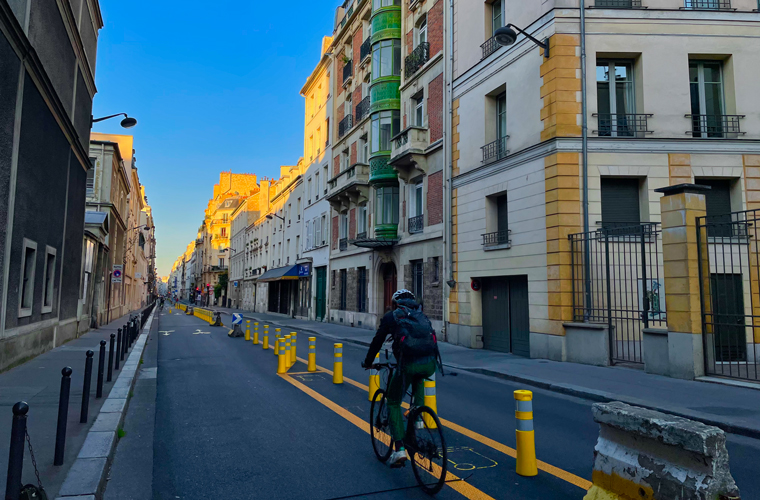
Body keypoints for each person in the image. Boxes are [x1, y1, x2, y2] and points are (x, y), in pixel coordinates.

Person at [362, 289, 440, 468]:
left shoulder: (391, 317)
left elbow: (378, 341)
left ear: (396, 302)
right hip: (429, 364)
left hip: (408, 364)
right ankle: (418, 417)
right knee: (419, 377)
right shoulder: (421, 316)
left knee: (393, 402)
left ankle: (399, 450)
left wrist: (368, 362)